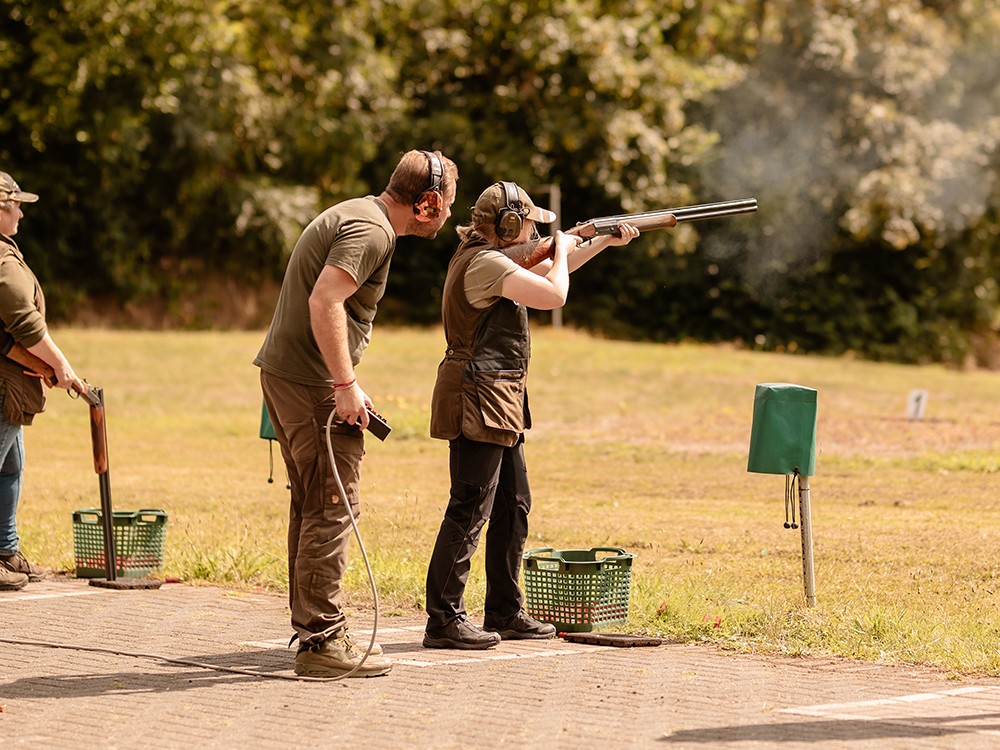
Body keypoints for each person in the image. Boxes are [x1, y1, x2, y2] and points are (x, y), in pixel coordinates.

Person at [254, 150, 458, 677]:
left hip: (289, 375)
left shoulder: (356, 214)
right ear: (427, 202)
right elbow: (326, 301)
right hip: (313, 383)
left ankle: (312, 627)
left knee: (313, 503)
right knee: (332, 506)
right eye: (448, 205)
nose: (450, 217)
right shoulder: (372, 231)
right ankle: (323, 641)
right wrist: (344, 384)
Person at [423, 181, 640, 649]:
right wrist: (561, 246)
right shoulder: (484, 263)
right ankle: (443, 619)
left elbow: (546, 271)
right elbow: (553, 294)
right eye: (527, 226)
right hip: (478, 396)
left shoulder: (494, 258)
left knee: (512, 504)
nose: (533, 234)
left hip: (498, 396)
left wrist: (599, 241)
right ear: (508, 226)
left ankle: (503, 611)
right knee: (469, 507)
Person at [0, 172, 86, 591]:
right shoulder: (1, 258)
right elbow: (25, 324)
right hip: (3, 385)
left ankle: (6, 551)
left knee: (11, 464)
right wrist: (63, 366)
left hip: (11, 379)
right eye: (14, 205)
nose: (20, 213)